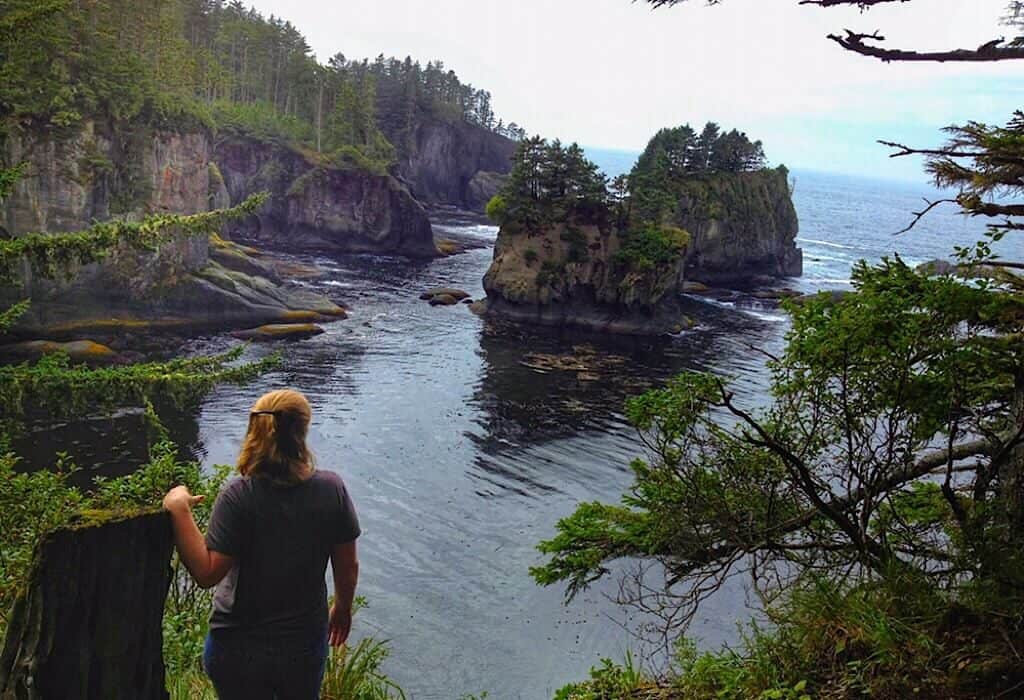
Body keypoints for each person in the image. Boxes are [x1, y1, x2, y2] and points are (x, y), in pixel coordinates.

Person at [162, 389, 360, 699]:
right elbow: (347, 566)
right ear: (303, 430)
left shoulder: (238, 496)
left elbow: (206, 572)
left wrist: (178, 507)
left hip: (238, 647)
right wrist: (343, 608)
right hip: (302, 645)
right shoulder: (331, 490)